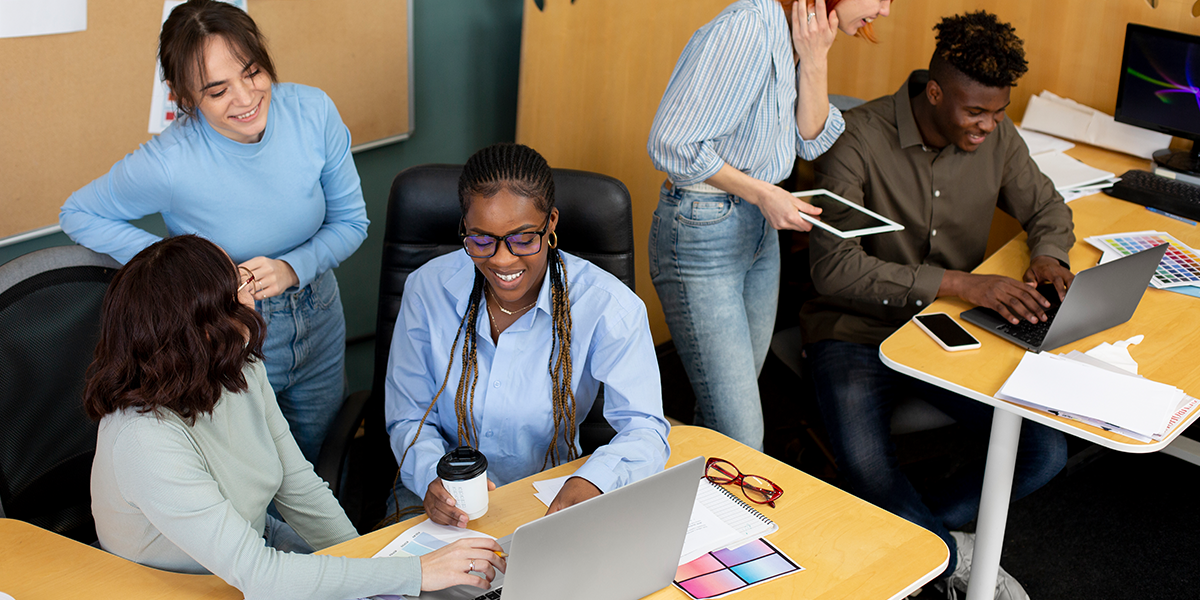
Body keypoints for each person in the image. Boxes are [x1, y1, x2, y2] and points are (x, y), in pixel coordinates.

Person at [804, 12, 1072, 599]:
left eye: (997, 113)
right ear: (933, 92)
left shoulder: (996, 134)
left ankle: (918, 540)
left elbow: (1048, 207)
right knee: (868, 468)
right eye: (975, 113)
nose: (988, 126)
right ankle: (954, 558)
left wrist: (1049, 255)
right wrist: (960, 284)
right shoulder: (855, 139)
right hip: (854, 332)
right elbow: (832, 268)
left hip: (943, 331)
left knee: (1044, 451)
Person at [86, 235, 505, 600]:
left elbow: (298, 485)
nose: (252, 294)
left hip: (255, 549)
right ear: (204, 331)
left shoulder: (236, 366)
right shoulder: (144, 439)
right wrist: (415, 573)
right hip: (183, 586)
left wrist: (376, 572)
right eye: (239, 288)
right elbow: (260, 575)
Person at [60, 0, 366, 463]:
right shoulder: (169, 162)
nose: (245, 98)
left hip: (319, 310)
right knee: (254, 472)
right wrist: (187, 264)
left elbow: (351, 221)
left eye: (253, 72)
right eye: (217, 91)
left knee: (322, 462)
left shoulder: (313, 111)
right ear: (183, 96)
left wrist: (291, 268)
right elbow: (78, 212)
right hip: (229, 328)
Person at [646, 0, 894, 450]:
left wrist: (815, 58)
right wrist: (762, 193)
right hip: (705, 231)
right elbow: (671, 143)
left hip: (758, 228)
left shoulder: (802, 33)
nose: (885, 10)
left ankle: (693, 493)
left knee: (721, 420)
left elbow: (811, 140)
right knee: (743, 438)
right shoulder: (748, 29)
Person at [385, 143, 671, 527]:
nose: (502, 259)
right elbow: (408, 416)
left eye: (522, 239)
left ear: (550, 223)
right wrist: (430, 478)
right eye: (481, 239)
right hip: (443, 494)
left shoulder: (608, 306)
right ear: (464, 228)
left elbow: (645, 428)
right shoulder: (426, 289)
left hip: (549, 495)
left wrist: (595, 481)